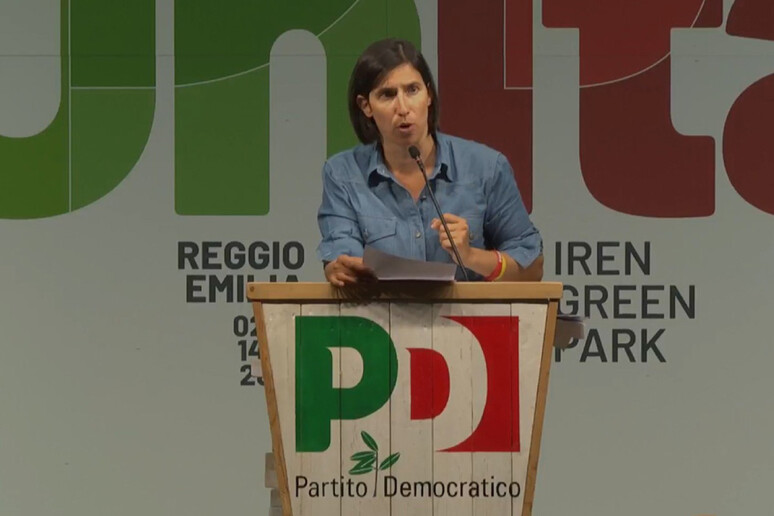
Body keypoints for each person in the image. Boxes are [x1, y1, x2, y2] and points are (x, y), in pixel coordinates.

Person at [317, 38, 543, 286]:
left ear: (429, 96)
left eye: (412, 90)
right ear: (366, 106)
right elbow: (344, 258)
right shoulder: (343, 174)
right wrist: (340, 269)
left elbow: (532, 267)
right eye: (387, 95)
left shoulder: (486, 168)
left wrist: (471, 256)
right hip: (380, 310)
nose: (403, 108)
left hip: (468, 313)